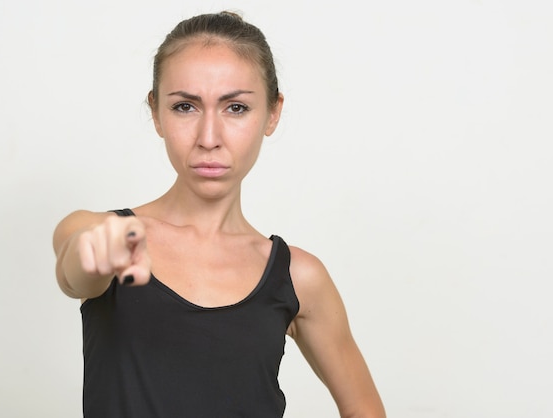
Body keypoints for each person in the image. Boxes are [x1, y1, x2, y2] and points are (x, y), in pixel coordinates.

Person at [53, 11, 385, 418]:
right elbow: (75, 271)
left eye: (236, 108)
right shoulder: (102, 231)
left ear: (273, 113)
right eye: (186, 107)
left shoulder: (298, 276)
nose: (209, 138)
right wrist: (95, 255)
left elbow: (365, 410)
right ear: (156, 112)